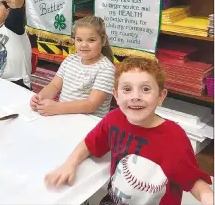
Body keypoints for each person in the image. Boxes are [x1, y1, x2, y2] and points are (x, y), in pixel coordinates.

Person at [44, 58, 214, 205]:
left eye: (145, 89)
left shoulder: (174, 137)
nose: (135, 96)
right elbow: (89, 144)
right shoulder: (114, 119)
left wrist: (208, 199)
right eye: (127, 89)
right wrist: (70, 164)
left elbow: (194, 182)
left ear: (161, 97)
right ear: (116, 95)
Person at [30, 16, 115, 118]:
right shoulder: (70, 59)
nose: (84, 45)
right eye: (79, 40)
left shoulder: (106, 69)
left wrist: (57, 107)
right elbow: (54, 86)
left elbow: (91, 105)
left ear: (103, 40)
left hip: (88, 125)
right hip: (63, 117)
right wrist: (40, 97)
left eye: (91, 40)